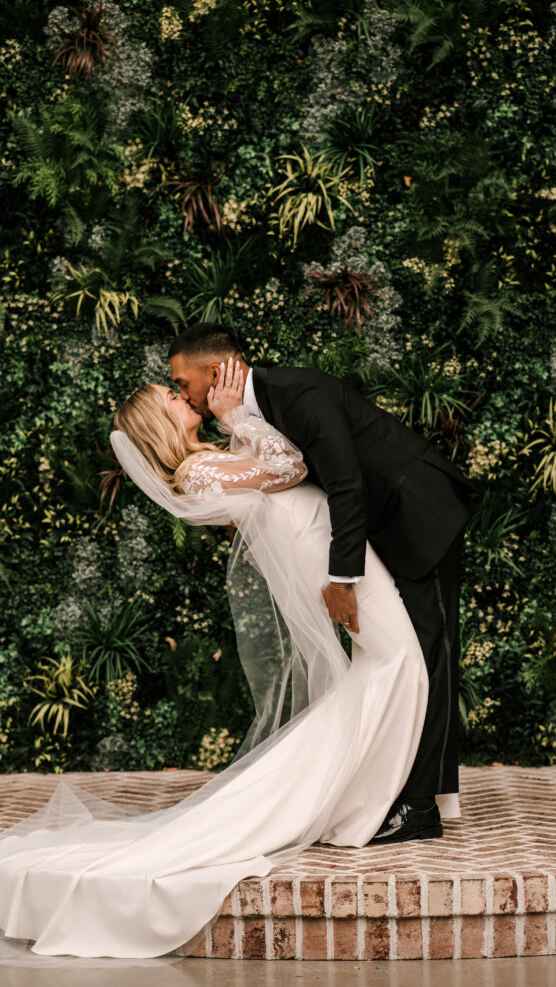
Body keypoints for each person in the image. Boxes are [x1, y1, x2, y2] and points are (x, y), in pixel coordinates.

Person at [0, 355, 434, 959]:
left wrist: (233, 425)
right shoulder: (199, 473)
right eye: (173, 398)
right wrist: (236, 416)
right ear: (160, 420)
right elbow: (290, 467)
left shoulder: (208, 462)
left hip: (325, 549)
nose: (188, 399)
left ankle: (358, 802)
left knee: (390, 665)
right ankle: (359, 805)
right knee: (398, 663)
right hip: (325, 560)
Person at [168, 323, 476, 843]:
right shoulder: (242, 420)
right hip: (373, 537)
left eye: (182, 382)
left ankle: (420, 805)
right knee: (406, 658)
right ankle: (408, 793)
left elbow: (346, 483)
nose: (182, 392)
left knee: (428, 652)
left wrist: (342, 579)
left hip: (417, 513)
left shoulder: (298, 391)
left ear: (215, 371)